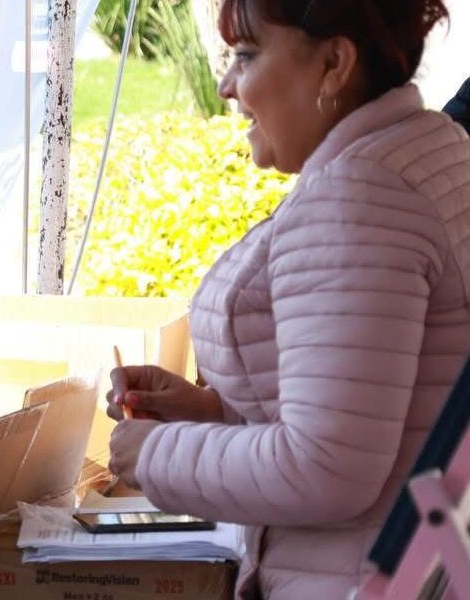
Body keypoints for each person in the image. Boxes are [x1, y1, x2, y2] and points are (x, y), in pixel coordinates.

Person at [103, 0, 468, 598]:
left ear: (334, 63)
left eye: (246, 56)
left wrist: (155, 455)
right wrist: (213, 412)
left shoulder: (356, 198)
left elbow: (328, 467)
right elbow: (385, 409)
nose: (226, 85)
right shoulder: (426, 152)